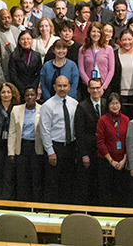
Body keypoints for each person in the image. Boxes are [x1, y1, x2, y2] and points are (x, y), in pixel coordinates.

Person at [39, 74, 79, 203]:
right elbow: (44, 130)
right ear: (54, 87)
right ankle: (51, 211)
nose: (62, 88)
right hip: (56, 148)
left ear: (69, 87)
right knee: (53, 182)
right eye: (59, 86)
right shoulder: (47, 105)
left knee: (69, 182)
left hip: (71, 147)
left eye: (65, 86)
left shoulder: (74, 104)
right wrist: (50, 151)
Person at [8, 86, 44, 203]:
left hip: (36, 147)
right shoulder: (16, 110)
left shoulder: (43, 109)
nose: (30, 97)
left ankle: (36, 206)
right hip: (22, 147)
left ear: (36, 96)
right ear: (24, 97)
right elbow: (12, 132)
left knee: (36, 178)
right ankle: (22, 206)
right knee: (22, 179)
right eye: (27, 95)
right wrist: (11, 152)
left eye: (32, 95)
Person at [76, 77, 106, 205]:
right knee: (88, 185)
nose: (95, 90)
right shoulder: (82, 107)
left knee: (102, 184)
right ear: (88, 89)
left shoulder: (106, 104)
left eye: (97, 87)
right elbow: (79, 133)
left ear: (102, 89)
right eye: (92, 88)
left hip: (104, 153)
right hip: (89, 152)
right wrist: (84, 154)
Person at [96, 92, 130, 205]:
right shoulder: (102, 120)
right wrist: (111, 160)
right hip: (106, 162)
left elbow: (129, 142)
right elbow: (100, 142)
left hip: (122, 162)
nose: (115, 106)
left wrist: (124, 160)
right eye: (112, 103)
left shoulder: (126, 120)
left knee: (121, 193)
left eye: (117, 103)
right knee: (106, 192)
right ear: (108, 105)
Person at [78, 21, 115, 93]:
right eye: (93, 31)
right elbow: (81, 70)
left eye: (98, 32)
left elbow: (111, 70)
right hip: (88, 88)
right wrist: (90, 85)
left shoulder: (108, 49)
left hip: (104, 87)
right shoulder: (83, 49)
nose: (96, 34)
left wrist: (103, 87)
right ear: (89, 33)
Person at [109, 30, 133, 117]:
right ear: (120, 41)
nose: (127, 42)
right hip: (119, 94)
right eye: (124, 40)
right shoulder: (113, 55)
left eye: (129, 39)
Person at [0, 9, 19, 88]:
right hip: (5, 78)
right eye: (3, 18)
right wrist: (2, 83)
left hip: (18, 76)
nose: (7, 20)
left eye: (9, 17)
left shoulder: (15, 30)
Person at [8, 30, 42, 95]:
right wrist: (23, 89)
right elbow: (13, 75)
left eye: (28, 39)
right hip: (18, 90)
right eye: (23, 39)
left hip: (33, 90)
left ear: (32, 40)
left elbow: (39, 74)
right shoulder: (14, 55)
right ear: (19, 41)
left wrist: (33, 87)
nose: (26, 41)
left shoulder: (37, 55)